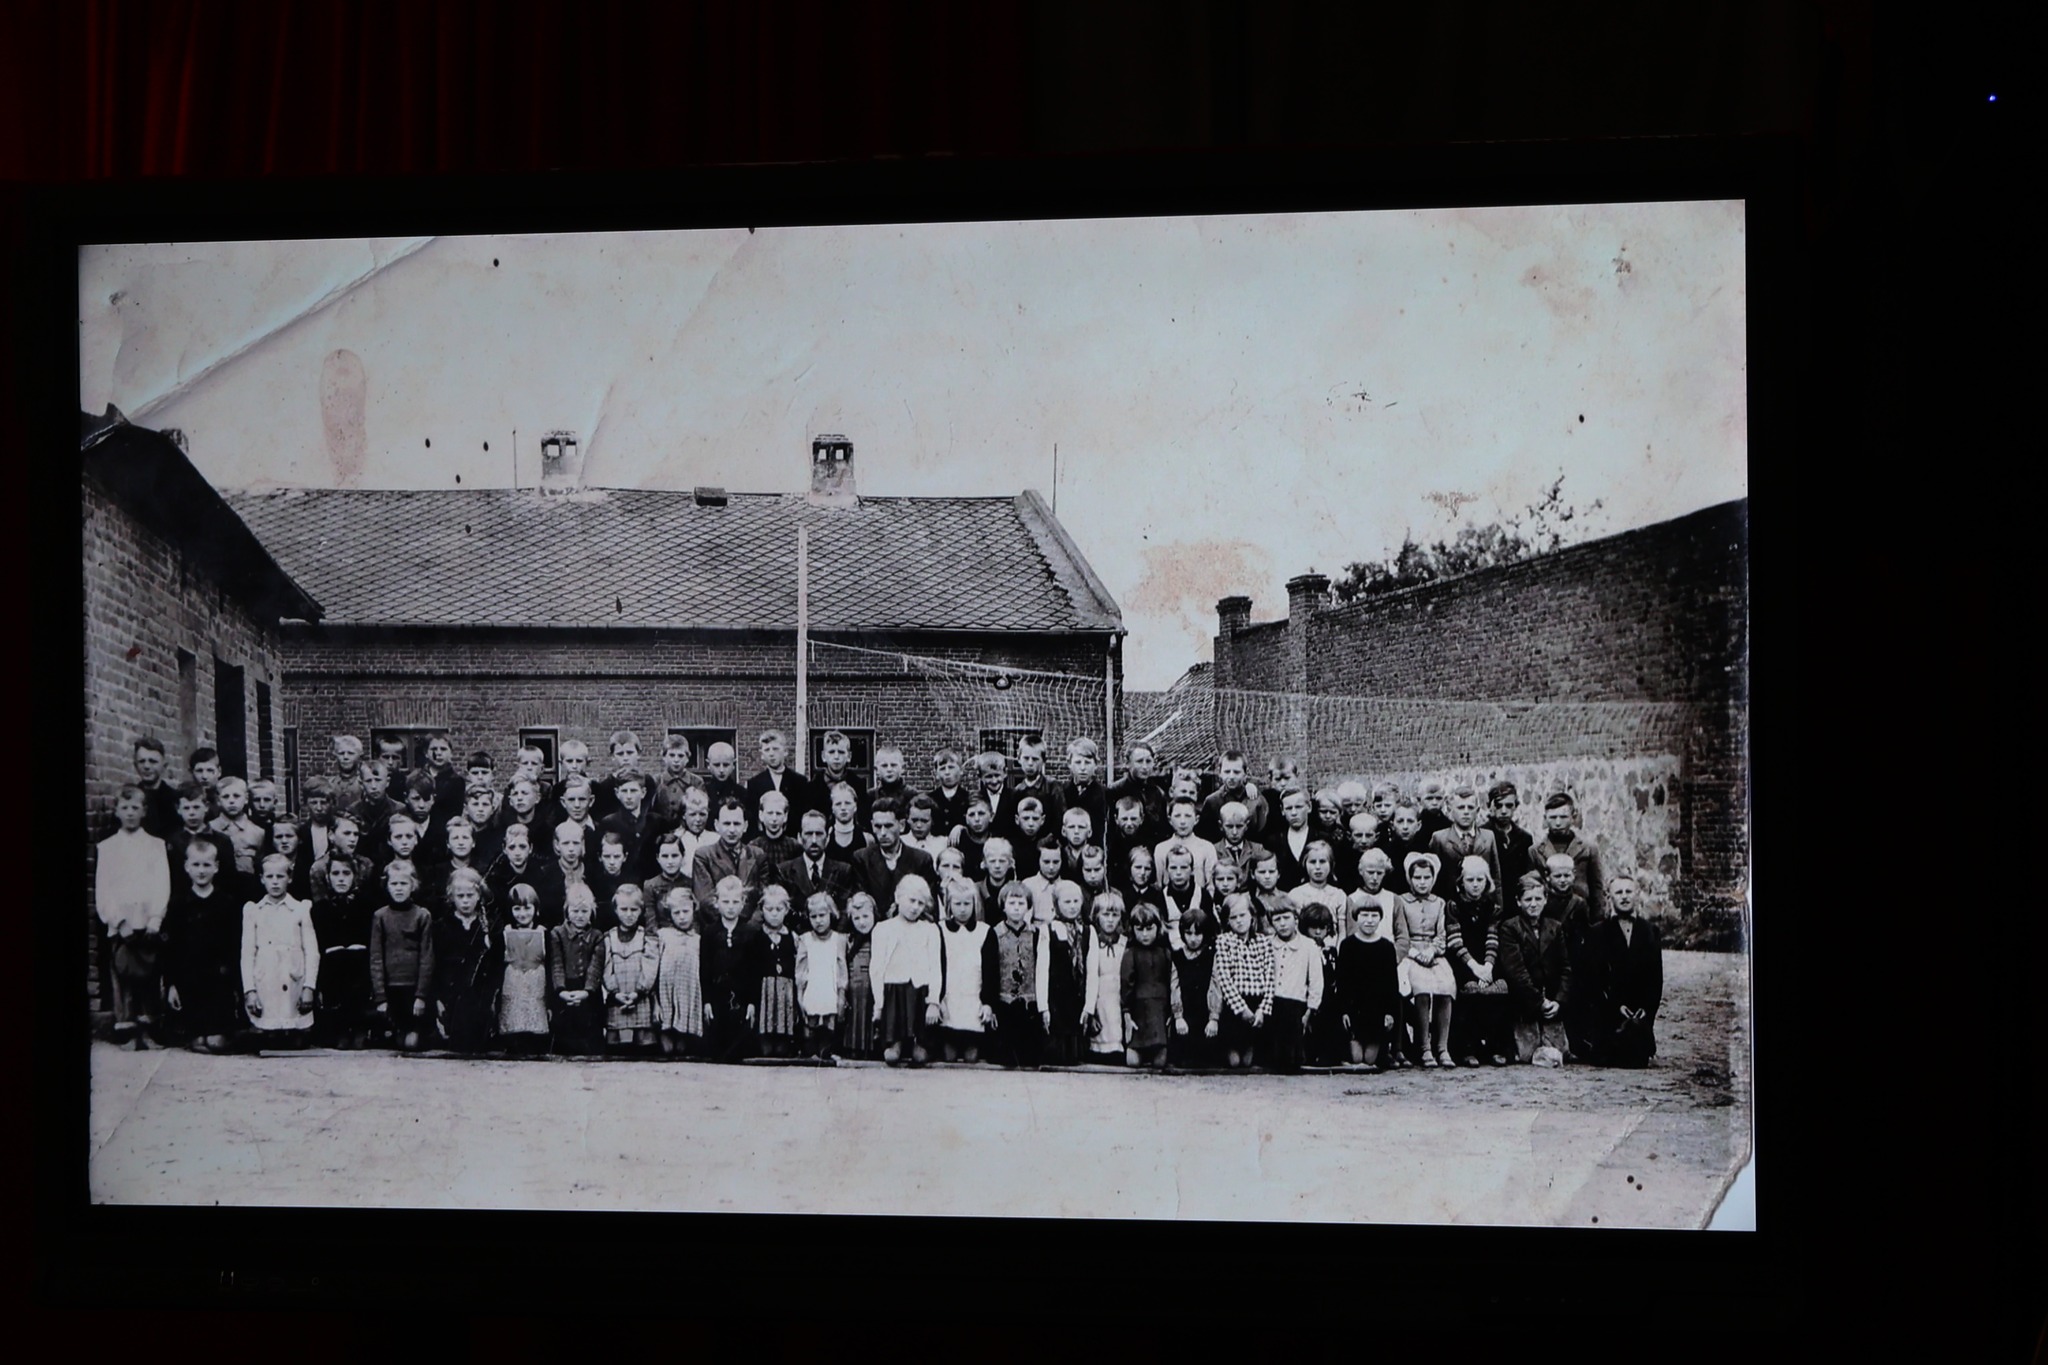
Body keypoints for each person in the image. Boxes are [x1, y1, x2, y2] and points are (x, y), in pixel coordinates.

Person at [97, 785, 170, 1047]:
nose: (130, 813)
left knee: (149, 977)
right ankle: (128, 1032)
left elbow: (162, 883)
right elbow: (104, 889)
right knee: (124, 976)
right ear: (117, 811)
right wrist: (117, 921)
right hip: (122, 925)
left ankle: (148, 1031)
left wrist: (155, 918)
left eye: (135, 808)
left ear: (144, 811)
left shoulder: (155, 845)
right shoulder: (107, 848)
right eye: (125, 808)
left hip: (147, 923)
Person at [161, 840, 242, 1051]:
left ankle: (217, 1036)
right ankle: (194, 1036)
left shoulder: (226, 902)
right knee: (197, 1040)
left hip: (218, 982)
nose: (201, 871)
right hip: (189, 981)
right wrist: (171, 985)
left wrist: (233, 983)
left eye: (207, 865)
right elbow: (170, 948)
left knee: (216, 1042)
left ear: (216, 867)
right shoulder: (178, 904)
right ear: (187, 867)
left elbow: (234, 946)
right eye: (196, 865)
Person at [240, 853, 320, 1044]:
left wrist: (309, 987)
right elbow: (247, 954)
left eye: (280, 876)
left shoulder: (300, 909)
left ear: (289, 878)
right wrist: (250, 991)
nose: (275, 882)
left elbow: (312, 951)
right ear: (262, 879)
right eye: (270, 877)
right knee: (268, 1037)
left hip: (293, 981)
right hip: (265, 983)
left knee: (295, 1039)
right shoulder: (254, 911)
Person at [1499, 872, 1572, 1065]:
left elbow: (1565, 967)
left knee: (1560, 1053)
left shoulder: (1555, 927)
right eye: (1528, 899)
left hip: (1551, 1002)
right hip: (1524, 1003)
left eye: (1538, 899)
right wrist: (1539, 1002)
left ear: (1545, 899)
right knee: (1526, 1055)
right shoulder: (1510, 928)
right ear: (1518, 901)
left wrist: (1559, 1001)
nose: (1533, 904)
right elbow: (1516, 971)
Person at [1445, 855, 1511, 1067]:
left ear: (1487, 881)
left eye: (1480, 880)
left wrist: (1488, 967)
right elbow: (1455, 941)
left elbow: (1493, 937)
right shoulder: (1453, 906)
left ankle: (1495, 1047)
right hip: (1463, 960)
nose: (1475, 885)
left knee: (1499, 988)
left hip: (1486, 959)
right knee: (1468, 990)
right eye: (1470, 880)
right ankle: (1467, 1049)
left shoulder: (1493, 908)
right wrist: (1474, 967)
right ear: (1461, 882)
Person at [1590, 872, 1661, 1067]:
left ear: (1637, 895)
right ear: (1609, 897)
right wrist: (1616, 1007)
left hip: (1640, 1013)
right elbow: (1595, 980)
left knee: (1637, 1056)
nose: (1624, 897)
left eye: (1628, 892)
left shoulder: (1650, 931)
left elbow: (1655, 978)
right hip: (1610, 1013)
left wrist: (1646, 1008)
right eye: (1618, 892)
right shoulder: (1598, 932)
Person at [871, 874, 943, 1065]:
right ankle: (895, 1043)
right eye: (911, 901)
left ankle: (918, 1043)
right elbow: (876, 969)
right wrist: (879, 1004)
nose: (915, 907)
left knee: (920, 1057)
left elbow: (935, 967)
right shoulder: (883, 929)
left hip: (919, 992)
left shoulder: (930, 930)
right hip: (893, 992)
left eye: (920, 903)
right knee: (892, 1056)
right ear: (898, 897)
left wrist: (933, 1002)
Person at [429, 867, 501, 1052]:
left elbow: (495, 965)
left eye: (470, 895)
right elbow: (435, 965)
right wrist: (437, 999)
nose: (466, 901)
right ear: (451, 897)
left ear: (479, 895)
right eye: (460, 896)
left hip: (481, 998)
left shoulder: (488, 926)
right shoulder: (442, 926)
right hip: (451, 996)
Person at [1396, 852, 1457, 1068]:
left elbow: (1442, 934)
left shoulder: (1439, 903)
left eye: (1426, 877)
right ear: (1409, 878)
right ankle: (1424, 1047)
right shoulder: (1401, 901)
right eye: (1417, 877)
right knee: (1421, 989)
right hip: (1410, 954)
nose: (1422, 882)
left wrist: (1432, 950)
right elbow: (1401, 933)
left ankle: (1442, 1047)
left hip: (1433, 953)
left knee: (1446, 987)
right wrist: (1414, 953)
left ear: (1434, 878)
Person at [310, 854, 375, 1048]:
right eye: (335, 873)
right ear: (327, 877)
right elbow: (320, 945)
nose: (341, 878)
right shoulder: (320, 909)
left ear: (355, 876)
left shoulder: (367, 906)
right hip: (332, 972)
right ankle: (340, 1028)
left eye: (346, 873)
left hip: (360, 971)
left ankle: (360, 1027)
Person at [369, 861, 433, 1049]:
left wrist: (421, 996)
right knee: (393, 1042)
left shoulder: (422, 915)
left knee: (413, 1043)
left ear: (413, 886)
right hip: (390, 988)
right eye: (394, 883)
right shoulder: (380, 916)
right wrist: (380, 997)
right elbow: (375, 957)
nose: (398, 888)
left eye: (403, 883)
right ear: (386, 886)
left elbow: (427, 957)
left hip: (413, 987)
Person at [1336, 899, 1401, 1070]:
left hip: (1376, 1010)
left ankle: (1384, 1051)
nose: (1369, 920)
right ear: (1356, 917)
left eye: (1374, 916)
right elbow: (1342, 982)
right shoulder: (1347, 945)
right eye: (1364, 915)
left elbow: (1391, 984)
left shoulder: (1386, 947)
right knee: (1357, 1059)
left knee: (1370, 1061)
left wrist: (1389, 1013)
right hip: (1355, 1010)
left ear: (1380, 918)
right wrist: (1344, 1010)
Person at [701, 875, 760, 1062]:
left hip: (741, 997)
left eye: (735, 902)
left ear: (743, 903)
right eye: (725, 902)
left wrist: (752, 1002)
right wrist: (707, 1001)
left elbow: (754, 971)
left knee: (740, 1045)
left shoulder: (750, 933)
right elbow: (705, 970)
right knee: (716, 1045)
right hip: (717, 996)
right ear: (716, 903)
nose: (730, 907)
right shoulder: (710, 932)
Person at [1212, 893, 1275, 1069]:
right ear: (1227, 921)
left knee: (1248, 1062)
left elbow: (1270, 979)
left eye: (1242, 915)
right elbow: (1224, 979)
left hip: (1257, 1004)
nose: (1239, 921)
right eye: (1234, 917)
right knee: (1234, 1062)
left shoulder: (1263, 942)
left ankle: (1251, 1047)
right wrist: (1242, 1009)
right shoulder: (1223, 941)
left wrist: (1262, 1010)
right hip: (1235, 1006)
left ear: (1252, 916)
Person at [985, 881, 1043, 1067]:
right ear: (1003, 906)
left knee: (1030, 1056)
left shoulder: (1035, 933)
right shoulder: (995, 933)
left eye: (1021, 903)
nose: (1016, 908)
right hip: (1005, 1002)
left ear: (1028, 906)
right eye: (1011, 903)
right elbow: (990, 971)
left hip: (1029, 1002)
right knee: (1004, 1056)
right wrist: (991, 1004)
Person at [937, 877, 993, 1062]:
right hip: (949, 1002)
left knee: (971, 1058)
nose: (962, 909)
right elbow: (936, 968)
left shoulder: (984, 931)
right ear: (949, 904)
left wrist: (987, 1004)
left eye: (967, 904)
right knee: (949, 1057)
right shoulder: (940, 930)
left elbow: (990, 972)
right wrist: (937, 1000)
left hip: (973, 1003)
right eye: (957, 904)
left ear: (974, 904)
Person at [1037, 878, 1091, 1066]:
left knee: (1075, 1057)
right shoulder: (1048, 930)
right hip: (1056, 1001)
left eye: (1076, 901)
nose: (1072, 906)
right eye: (1067, 902)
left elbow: (1092, 972)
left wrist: (1089, 1007)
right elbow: (1042, 970)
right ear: (1056, 904)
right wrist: (1043, 1007)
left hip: (1077, 1000)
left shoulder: (1087, 931)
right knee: (1056, 1055)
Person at [601, 885, 661, 1052]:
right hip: (617, 1000)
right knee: (617, 1047)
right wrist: (615, 993)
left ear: (641, 910)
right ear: (615, 910)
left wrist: (639, 992)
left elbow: (650, 966)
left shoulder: (647, 937)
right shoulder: (608, 937)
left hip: (640, 1000)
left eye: (634, 910)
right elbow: (606, 967)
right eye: (624, 909)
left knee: (644, 1045)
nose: (629, 914)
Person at [849, 798, 937, 911]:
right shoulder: (862, 859)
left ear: (902, 825)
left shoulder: (921, 860)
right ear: (872, 825)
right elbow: (860, 905)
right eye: (878, 826)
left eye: (888, 826)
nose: (883, 833)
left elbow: (930, 907)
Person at [548, 883, 605, 1056]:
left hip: (588, 992)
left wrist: (587, 991)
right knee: (564, 1039)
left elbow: (596, 967)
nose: (580, 916)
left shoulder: (597, 936)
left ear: (591, 912)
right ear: (567, 911)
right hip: (565, 989)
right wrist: (561, 991)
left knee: (590, 1040)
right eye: (575, 911)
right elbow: (556, 964)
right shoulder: (557, 934)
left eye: (584, 911)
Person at [1428, 785, 1505, 914]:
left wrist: (1498, 907)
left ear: (1477, 810)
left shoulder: (1488, 837)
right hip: (1451, 909)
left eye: (1470, 807)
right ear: (1450, 810)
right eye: (1460, 807)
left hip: (1483, 908)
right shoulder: (1440, 838)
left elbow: (1496, 877)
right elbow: (1435, 880)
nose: (1466, 812)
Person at [1265, 902, 1323, 1073]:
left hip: (1296, 1005)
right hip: (1271, 1003)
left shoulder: (1308, 945)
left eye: (1286, 918)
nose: (1282, 924)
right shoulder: (1267, 943)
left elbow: (1316, 980)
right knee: (1271, 1057)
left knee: (1291, 1060)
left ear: (1296, 919)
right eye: (1277, 920)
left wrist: (1310, 1010)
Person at [496, 884, 552, 1055]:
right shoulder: (505, 933)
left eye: (527, 908)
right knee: (513, 1037)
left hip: (536, 992)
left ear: (536, 909)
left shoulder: (544, 934)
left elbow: (551, 967)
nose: (522, 913)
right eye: (517, 909)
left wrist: (550, 1001)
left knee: (536, 1039)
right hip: (513, 991)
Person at [1119, 904, 1175, 1070]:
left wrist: (1171, 1010)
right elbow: (1126, 983)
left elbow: (1171, 981)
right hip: (1139, 1008)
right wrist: (1127, 1012)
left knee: (1160, 1062)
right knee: (1133, 1062)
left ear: (1158, 928)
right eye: (1139, 929)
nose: (1144, 934)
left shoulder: (1165, 952)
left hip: (1160, 1008)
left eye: (1149, 929)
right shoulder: (1131, 953)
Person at [1533, 793, 1606, 918]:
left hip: (1580, 915)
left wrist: (1597, 920)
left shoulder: (1588, 849)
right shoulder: (1535, 851)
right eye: (1553, 817)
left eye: (1563, 817)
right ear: (1545, 818)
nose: (1558, 823)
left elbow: (1597, 889)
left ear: (1573, 817)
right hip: (1548, 917)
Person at [794, 891, 847, 1060]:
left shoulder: (839, 939)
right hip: (813, 988)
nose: (818, 920)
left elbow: (841, 967)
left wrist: (841, 992)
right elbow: (801, 969)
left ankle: (827, 1051)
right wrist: (800, 993)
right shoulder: (805, 940)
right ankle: (811, 1051)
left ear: (831, 914)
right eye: (813, 916)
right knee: (811, 1021)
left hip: (830, 988)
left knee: (829, 1022)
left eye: (822, 915)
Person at [749, 884, 800, 1058]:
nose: (774, 914)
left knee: (782, 1048)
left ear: (787, 910)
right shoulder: (757, 936)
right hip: (765, 989)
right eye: (769, 909)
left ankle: (784, 1042)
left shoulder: (792, 937)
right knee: (766, 1048)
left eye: (779, 909)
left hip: (786, 989)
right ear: (762, 910)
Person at [653, 886, 705, 1058]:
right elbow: (654, 971)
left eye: (686, 911)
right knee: (667, 1050)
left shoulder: (698, 939)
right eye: (676, 913)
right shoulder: (663, 936)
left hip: (688, 998)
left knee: (683, 1050)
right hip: (666, 997)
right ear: (669, 914)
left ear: (693, 910)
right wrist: (656, 1002)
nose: (682, 917)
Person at [692, 798, 763, 922]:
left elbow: (762, 898)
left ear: (745, 826)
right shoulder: (703, 856)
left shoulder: (757, 855)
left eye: (737, 824)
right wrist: (729, 924)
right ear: (716, 825)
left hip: (751, 927)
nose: (732, 830)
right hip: (717, 926)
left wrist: (745, 925)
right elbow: (706, 900)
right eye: (726, 823)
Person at [1299, 903, 1348, 1066]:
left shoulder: (1330, 952)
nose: (1318, 932)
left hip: (1327, 1000)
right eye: (1313, 928)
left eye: (1322, 928)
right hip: (1307, 998)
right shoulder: (1303, 949)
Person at [1168, 907, 1217, 1068]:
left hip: (1205, 1015)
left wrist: (1213, 1018)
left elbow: (1215, 986)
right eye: (1188, 933)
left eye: (1198, 934)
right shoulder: (1177, 956)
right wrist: (1178, 1016)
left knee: (1207, 1061)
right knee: (1182, 1060)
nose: (1193, 939)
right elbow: (1174, 986)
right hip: (1185, 1016)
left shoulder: (1211, 955)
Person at [839, 892, 880, 1060]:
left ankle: (872, 1048)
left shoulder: (879, 936)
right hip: (854, 984)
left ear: (874, 914)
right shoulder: (849, 939)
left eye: (866, 916)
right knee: (855, 1015)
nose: (862, 922)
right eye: (856, 918)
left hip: (873, 985)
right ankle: (853, 1046)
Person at [1196, 750, 1268, 843]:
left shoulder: (1255, 798)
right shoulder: (1212, 801)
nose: (1231, 776)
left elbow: (1263, 832)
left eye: (1236, 772)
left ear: (1245, 773)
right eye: (1227, 772)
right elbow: (1205, 837)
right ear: (1220, 773)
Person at [742, 729, 805, 834]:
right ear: (762, 755)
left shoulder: (799, 782)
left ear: (785, 751)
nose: (771, 754)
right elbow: (752, 820)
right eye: (767, 750)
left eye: (775, 749)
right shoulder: (754, 784)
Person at [1153, 798, 1217, 891]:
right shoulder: (1161, 848)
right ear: (1170, 820)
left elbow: (1211, 885)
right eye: (1177, 816)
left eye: (1188, 816)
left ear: (1196, 819)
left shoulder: (1207, 847)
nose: (1182, 821)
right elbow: (1159, 884)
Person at [1487, 781, 1536, 894]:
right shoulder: (1482, 835)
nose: (1504, 811)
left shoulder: (1524, 838)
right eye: (1499, 806)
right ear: (1490, 806)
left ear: (1516, 806)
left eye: (1509, 806)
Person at [1059, 738, 1110, 847]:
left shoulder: (1105, 794)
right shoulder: (1061, 792)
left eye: (1087, 763)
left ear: (1096, 764)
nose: (1082, 768)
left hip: (1094, 852)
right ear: (1069, 763)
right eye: (1078, 762)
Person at [650, 733, 705, 830]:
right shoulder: (656, 781)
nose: (676, 760)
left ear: (687, 758)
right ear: (664, 757)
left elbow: (701, 811)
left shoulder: (696, 782)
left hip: (688, 832)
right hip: (660, 832)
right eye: (672, 755)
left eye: (680, 756)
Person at [129, 737, 181, 837]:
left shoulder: (175, 799)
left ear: (164, 766)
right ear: (135, 765)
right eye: (142, 761)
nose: (146, 766)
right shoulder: (128, 799)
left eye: (153, 761)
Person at [700, 742, 746, 834]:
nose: (721, 770)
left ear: (733, 765)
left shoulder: (742, 793)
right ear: (708, 764)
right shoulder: (702, 792)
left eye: (726, 765)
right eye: (717, 765)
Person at [925, 748, 971, 837]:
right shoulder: (929, 799)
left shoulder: (969, 798)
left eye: (951, 767)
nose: (947, 772)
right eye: (942, 769)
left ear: (961, 770)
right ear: (936, 774)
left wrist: (962, 828)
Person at [869, 743, 915, 816]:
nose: (889, 769)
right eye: (884, 766)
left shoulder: (912, 795)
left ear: (902, 768)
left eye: (893, 765)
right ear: (876, 770)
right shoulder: (870, 797)